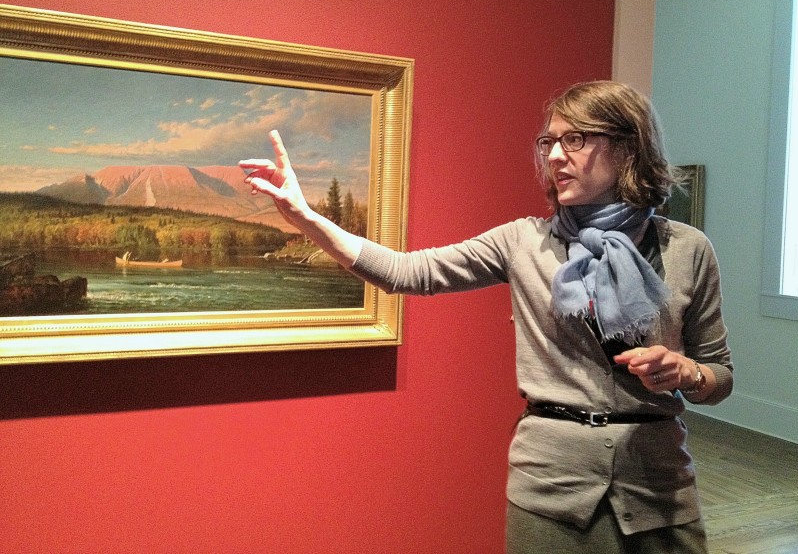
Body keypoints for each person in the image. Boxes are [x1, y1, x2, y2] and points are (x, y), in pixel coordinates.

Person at [239, 80, 733, 554]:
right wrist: (306, 217)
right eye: (549, 142)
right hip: (551, 489)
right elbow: (407, 271)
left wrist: (688, 373)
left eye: (575, 140)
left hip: (660, 490)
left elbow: (719, 376)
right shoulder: (523, 241)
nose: (554, 156)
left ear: (628, 147)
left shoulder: (687, 249)